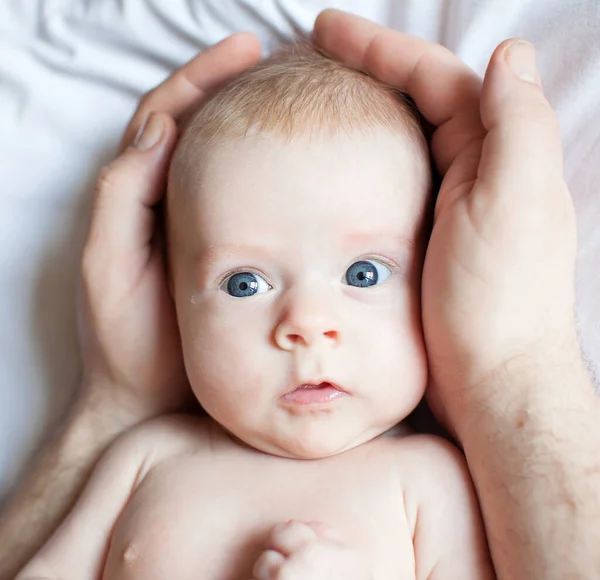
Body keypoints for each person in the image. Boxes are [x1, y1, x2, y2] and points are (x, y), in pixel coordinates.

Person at [0, 8, 598, 580]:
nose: (306, 324)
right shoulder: (144, 457)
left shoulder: (427, 483)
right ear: (171, 299)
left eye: (364, 273)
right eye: (245, 283)